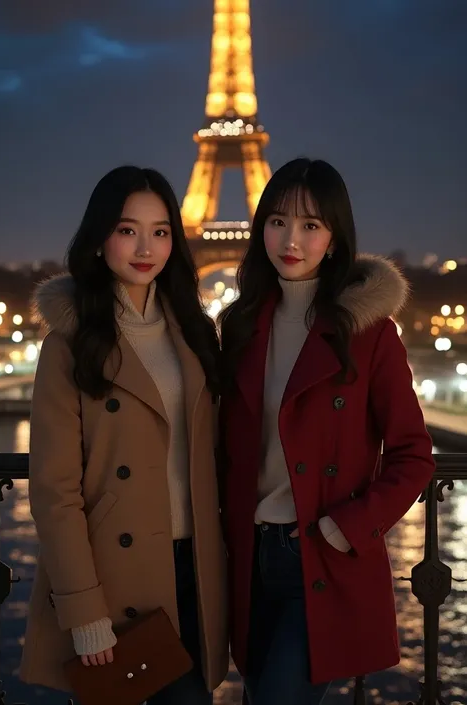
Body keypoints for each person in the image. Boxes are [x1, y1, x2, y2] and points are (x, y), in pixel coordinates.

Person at [218, 157, 435, 705]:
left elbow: (413, 453)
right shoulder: (240, 326)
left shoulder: (368, 333)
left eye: (311, 225)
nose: (291, 239)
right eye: (278, 221)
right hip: (246, 556)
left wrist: (346, 527)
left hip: (318, 555)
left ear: (335, 238)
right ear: (260, 227)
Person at [20, 166, 228, 704]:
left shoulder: (195, 334)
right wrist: (82, 607)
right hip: (114, 579)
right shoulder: (70, 344)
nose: (146, 247)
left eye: (160, 231)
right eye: (127, 229)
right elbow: (54, 490)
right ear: (99, 236)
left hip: (194, 569)